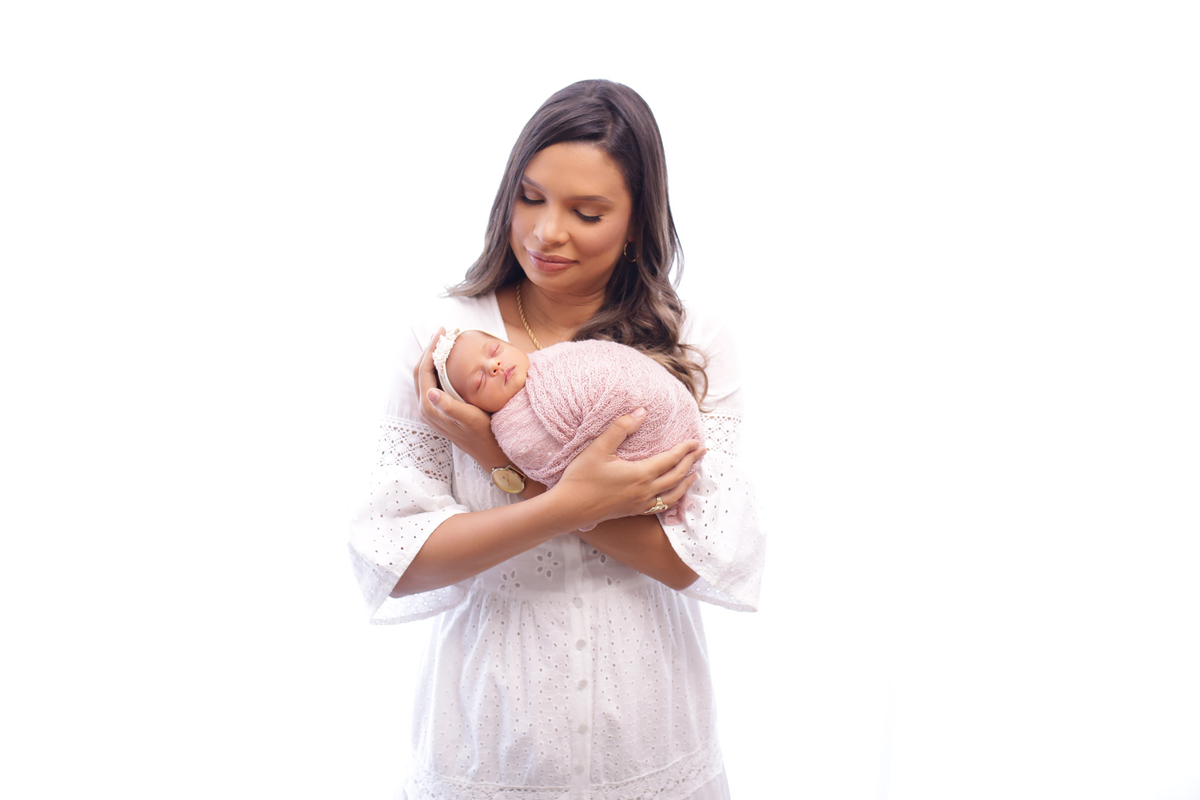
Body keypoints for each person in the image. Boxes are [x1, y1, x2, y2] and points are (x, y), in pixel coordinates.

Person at [347, 79, 765, 800]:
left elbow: (690, 559)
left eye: (587, 212)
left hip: (650, 730)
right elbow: (394, 558)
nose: (546, 233)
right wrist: (568, 502)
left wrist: (500, 460)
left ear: (637, 222)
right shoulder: (448, 346)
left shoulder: (694, 338)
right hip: (489, 735)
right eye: (531, 198)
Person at [433, 326, 705, 527]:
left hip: (657, 408)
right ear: (474, 407)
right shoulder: (511, 426)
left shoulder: (560, 356)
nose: (494, 365)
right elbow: (557, 471)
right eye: (480, 381)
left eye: (495, 351)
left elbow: (615, 361)